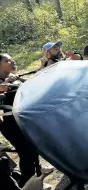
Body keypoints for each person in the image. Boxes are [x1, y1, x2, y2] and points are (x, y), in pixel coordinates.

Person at [0, 54, 42, 187]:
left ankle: (36, 176)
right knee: (26, 150)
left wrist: (19, 80)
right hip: (9, 123)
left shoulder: (15, 78)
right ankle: (27, 181)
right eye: (7, 60)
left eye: (11, 58)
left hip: (24, 119)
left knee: (34, 148)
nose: (12, 61)